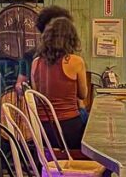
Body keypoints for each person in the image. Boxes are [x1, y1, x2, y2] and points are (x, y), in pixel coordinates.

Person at [30, 16, 91, 151]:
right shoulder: (76, 61)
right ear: (71, 39)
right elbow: (83, 95)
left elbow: (36, 97)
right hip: (69, 128)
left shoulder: (35, 63)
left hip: (43, 129)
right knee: (90, 124)